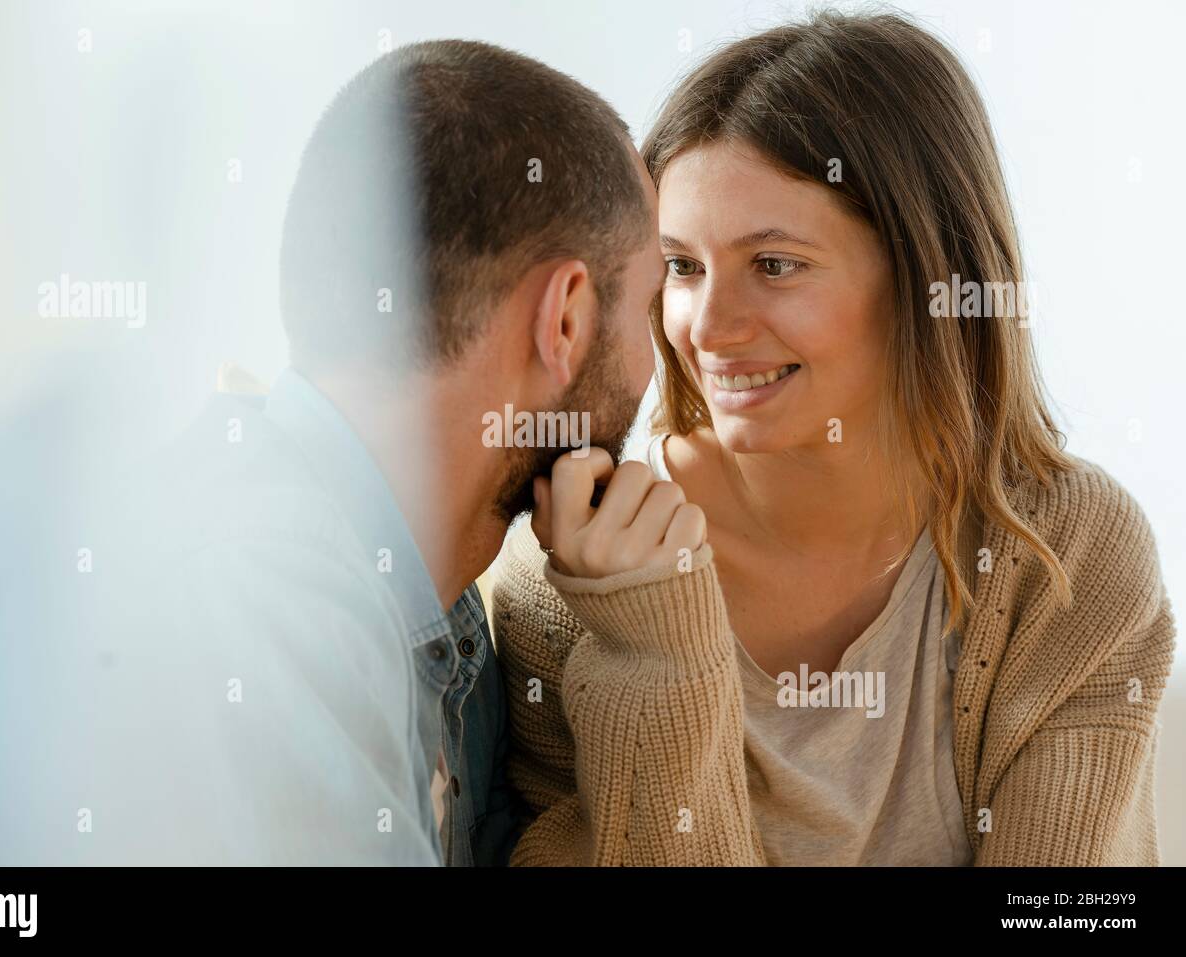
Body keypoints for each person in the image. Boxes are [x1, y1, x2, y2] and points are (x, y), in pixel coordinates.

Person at [0, 39, 666, 866]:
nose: (669, 356)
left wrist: (652, 651)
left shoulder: (436, 608)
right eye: (652, 301)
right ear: (568, 320)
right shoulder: (269, 608)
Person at [491, 10, 1177, 866]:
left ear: (930, 276)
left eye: (774, 264)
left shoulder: (1066, 554)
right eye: (682, 266)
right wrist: (651, 650)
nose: (707, 327)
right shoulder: (572, 578)